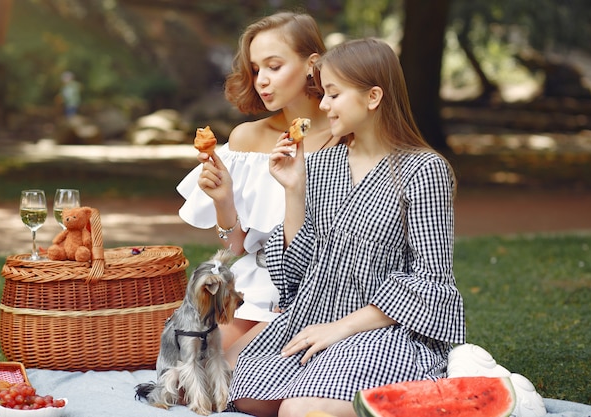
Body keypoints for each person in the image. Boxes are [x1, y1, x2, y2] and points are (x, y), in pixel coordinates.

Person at [228, 38, 466, 417]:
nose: (322, 105)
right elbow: (294, 272)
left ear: (373, 97)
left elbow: (433, 281)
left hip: (387, 328)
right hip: (316, 314)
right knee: (246, 396)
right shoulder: (323, 164)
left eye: (333, 94)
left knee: (297, 411)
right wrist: (293, 191)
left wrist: (341, 329)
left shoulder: (424, 171)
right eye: (323, 93)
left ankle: (427, 398)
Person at [176, 12, 340, 368]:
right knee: (198, 370)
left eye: (274, 66)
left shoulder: (345, 136)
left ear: (312, 65)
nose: (262, 81)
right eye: (255, 70)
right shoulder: (246, 138)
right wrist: (223, 202)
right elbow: (236, 245)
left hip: (321, 290)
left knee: (238, 375)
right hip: (257, 283)